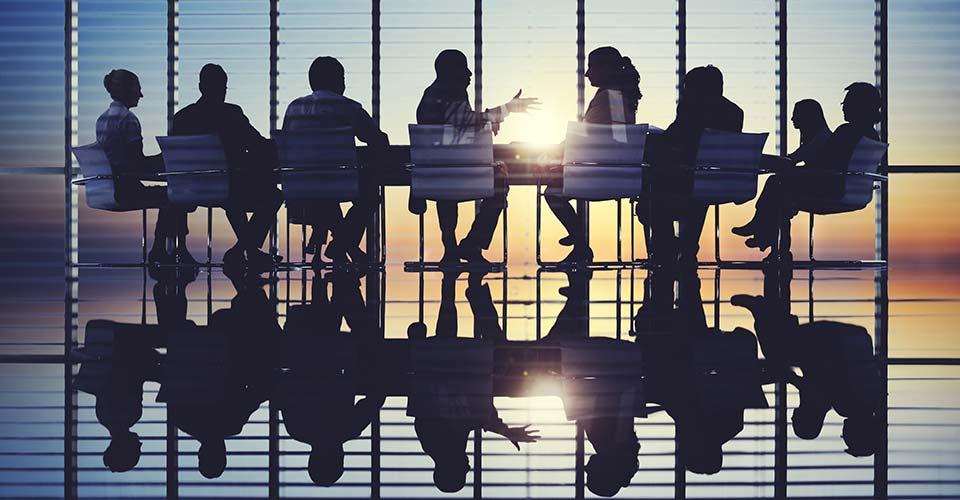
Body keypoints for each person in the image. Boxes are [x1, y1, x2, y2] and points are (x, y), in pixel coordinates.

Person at [732, 268, 882, 457]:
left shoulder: (872, 401)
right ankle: (761, 309)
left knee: (785, 343)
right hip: (834, 342)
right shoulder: (848, 406)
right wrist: (788, 376)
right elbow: (818, 380)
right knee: (777, 351)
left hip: (853, 338)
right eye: (847, 437)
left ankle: (774, 290)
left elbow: (820, 377)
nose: (843, 435)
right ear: (858, 433)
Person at [414, 49, 540, 264]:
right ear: (452, 71)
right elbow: (463, 120)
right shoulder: (451, 91)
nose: (470, 73)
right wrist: (506, 110)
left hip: (436, 174)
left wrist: (484, 123)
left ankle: (451, 248)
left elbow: (455, 129)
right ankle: (473, 244)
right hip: (461, 171)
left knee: (445, 190)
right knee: (500, 182)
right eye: (464, 68)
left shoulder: (431, 95)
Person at [732, 83, 882, 259]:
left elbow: (824, 163)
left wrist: (790, 169)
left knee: (776, 184)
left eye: (846, 103)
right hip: (848, 191)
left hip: (831, 188)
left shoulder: (847, 132)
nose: (843, 107)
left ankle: (764, 233)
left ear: (859, 106)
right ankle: (766, 235)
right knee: (781, 190)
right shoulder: (871, 135)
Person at [172, 64, 282, 271]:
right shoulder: (232, 114)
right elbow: (257, 145)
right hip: (231, 188)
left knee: (235, 196)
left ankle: (246, 250)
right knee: (273, 196)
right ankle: (243, 250)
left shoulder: (182, 118)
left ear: (200, 87)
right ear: (223, 88)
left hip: (192, 190)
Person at [282, 56, 390, 266]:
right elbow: (378, 140)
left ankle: (338, 243)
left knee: (323, 190)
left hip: (299, 188)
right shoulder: (349, 108)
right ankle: (342, 244)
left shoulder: (293, 109)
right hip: (338, 183)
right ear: (338, 81)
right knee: (369, 195)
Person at [544, 46, 642, 263]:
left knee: (552, 191)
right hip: (623, 178)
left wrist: (555, 151)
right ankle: (579, 241)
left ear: (605, 69)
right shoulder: (624, 98)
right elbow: (613, 139)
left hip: (599, 177)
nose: (587, 74)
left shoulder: (607, 98)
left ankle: (581, 244)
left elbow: (587, 137)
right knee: (558, 178)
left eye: (591, 67)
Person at [640, 65, 744, 266]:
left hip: (685, 180)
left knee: (652, 190)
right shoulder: (734, 112)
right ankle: (686, 248)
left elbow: (676, 137)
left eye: (688, 87)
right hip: (718, 182)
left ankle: (667, 247)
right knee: (698, 187)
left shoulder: (691, 107)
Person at [96, 69, 193, 266]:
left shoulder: (103, 119)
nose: (141, 94)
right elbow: (137, 163)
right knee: (178, 196)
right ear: (127, 90)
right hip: (126, 189)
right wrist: (165, 159)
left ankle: (168, 249)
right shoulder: (128, 120)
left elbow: (124, 159)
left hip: (109, 188)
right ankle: (170, 250)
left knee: (175, 196)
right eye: (138, 89)